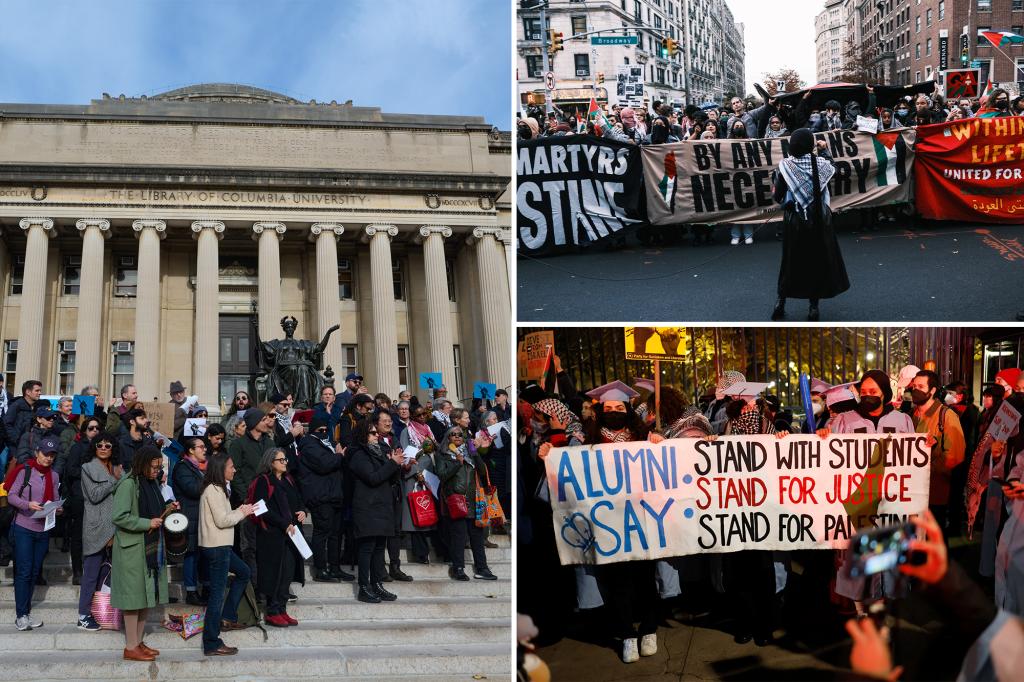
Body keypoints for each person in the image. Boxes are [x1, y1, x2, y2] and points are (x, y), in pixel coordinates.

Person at [819, 369, 914, 615]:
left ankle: (885, 605)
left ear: (885, 393)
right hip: (856, 500)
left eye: (873, 391)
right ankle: (860, 611)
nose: (868, 395)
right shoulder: (844, 420)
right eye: (863, 392)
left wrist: (924, 447)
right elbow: (828, 458)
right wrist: (824, 436)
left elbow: (913, 460)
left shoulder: (902, 420)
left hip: (890, 499)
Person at [770, 128, 849, 321]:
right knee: (816, 261)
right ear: (810, 144)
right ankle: (813, 308)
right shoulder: (820, 164)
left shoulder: (785, 166)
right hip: (818, 219)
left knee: (790, 261)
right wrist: (824, 150)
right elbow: (835, 170)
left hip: (794, 220)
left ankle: (780, 303)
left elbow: (777, 195)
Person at [111, 446, 175, 661]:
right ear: (143, 463)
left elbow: (154, 509)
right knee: (133, 600)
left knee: (146, 597)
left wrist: (168, 507)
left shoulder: (151, 483)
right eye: (154, 466)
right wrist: (147, 522)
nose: (157, 470)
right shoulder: (128, 484)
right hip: (132, 549)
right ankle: (130, 646)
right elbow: (119, 516)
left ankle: (137, 642)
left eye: (160, 467)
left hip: (148, 547)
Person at [198, 454, 254, 656]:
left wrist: (240, 509)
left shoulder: (218, 489)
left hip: (221, 546)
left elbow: (223, 516)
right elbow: (222, 521)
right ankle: (212, 642)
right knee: (216, 596)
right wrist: (243, 513)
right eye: (231, 467)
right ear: (221, 469)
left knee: (244, 572)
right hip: (217, 547)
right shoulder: (213, 491)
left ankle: (228, 616)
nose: (235, 470)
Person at [5, 435, 62, 631]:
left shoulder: (53, 476)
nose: (48, 458)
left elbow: (54, 498)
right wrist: (27, 504)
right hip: (23, 527)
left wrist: (57, 507)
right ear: (37, 452)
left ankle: (26, 613)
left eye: (52, 455)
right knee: (24, 571)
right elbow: (11, 496)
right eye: (46, 454)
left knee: (34, 571)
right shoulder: (25, 471)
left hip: (42, 529)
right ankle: (21, 615)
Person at [345, 419, 404, 603]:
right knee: (367, 548)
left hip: (382, 506)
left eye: (375, 432)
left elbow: (391, 479)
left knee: (379, 548)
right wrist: (391, 464)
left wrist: (395, 463)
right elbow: (372, 478)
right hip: (367, 507)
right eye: (372, 433)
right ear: (363, 435)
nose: (376, 435)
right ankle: (364, 587)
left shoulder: (381, 452)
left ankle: (377, 584)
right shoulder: (358, 454)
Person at [250, 447, 305, 627]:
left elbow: (298, 500)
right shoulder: (263, 480)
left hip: (291, 534)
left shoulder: (289, 480)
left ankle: (282, 608)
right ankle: (272, 611)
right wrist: (283, 524)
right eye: (281, 460)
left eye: (285, 460)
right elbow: (261, 508)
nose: (284, 463)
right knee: (275, 573)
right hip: (272, 535)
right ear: (270, 462)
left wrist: (303, 511)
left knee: (287, 572)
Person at [910, 370, 966, 539]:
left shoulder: (946, 416)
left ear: (932, 390)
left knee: (934, 540)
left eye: (920, 386)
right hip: (913, 493)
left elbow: (955, 455)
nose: (915, 390)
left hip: (935, 494)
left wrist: (928, 470)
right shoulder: (911, 416)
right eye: (914, 386)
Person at [296, 415, 352, 582]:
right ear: (313, 431)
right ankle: (320, 569)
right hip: (320, 496)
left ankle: (334, 567)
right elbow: (324, 464)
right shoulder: (308, 444)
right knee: (322, 532)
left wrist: (338, 456)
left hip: (334, 494)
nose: (324, 432)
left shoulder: (327, 444)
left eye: (326, 430)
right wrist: (339, 456)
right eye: (321, 430)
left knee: (336, 533)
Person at [78, 431, 120, 631]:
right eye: (100, 445)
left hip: (116, 527)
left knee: (107, 573)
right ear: (94, 447)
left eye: (108, 445)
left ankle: (100, 611)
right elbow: (94, 495)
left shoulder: (117, 468)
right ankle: (83, 615)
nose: (103, 448)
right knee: (91, 574)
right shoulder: (87, 467)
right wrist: (114, 480)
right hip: (96, 527)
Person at [228, 408, 275, 584]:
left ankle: (267, 582)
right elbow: (235, 473)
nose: (267, 422)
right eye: (263, 419)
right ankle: (252, 584)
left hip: (269, 502)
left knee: (266, 545)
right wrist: (247, 497)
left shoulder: (270, 444)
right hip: (248, 504)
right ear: (254, 422)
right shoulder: (238, 445)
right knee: (248, 546)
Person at [372, 409, 413, 582]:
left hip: (396, 488)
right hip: (381, 490)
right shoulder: (373, 442)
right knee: (382, 530)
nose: (389, 423)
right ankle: (380, 569)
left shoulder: (394, 439)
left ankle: (395, 567)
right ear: (376, 423)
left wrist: (407, 464)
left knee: (396, 531)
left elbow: (400, 461)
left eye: (390, 420)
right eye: (385, 421)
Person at [62, 416, 103, 586]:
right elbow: (70, 470)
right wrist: (90, 472)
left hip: (100, 497)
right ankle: (78, 571)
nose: (95, 431)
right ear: (84, 430)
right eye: (91, 428)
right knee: (78, 535)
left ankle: (96, 570)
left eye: (97, 428)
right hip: (81, 497)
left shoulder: (104, 449)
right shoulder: (78, 448)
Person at [171, 436, 209, 605]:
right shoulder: (182, 467)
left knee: (203, 554)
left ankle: (206, 587)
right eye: (201, 447)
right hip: (191, 516)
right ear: (191, 450)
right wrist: (212, 481)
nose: (205, 449)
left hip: (202, 516)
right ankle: (191, 591)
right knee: (191, 554)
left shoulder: (203, 468)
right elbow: (192, 489)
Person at [3, 379, 42, 451]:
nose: (40, 393)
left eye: (40, 391)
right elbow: (6, 424)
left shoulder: (37, 407)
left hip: (30, 447)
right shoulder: (16, 405)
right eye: (37, 391)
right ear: (28, 392)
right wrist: (17, 440)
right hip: (15, 447)